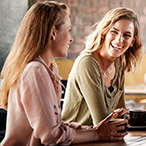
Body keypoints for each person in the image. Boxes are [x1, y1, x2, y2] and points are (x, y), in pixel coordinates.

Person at [0, 2, 129, 145]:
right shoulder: (35, 71)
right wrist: (96, 134)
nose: (71, 38)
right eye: (68, 30)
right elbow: (51, 135)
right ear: (53, 33)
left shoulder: (48, 69)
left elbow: (56, 125)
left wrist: (93, 129)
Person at [62, 7, 143, 126]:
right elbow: (102, 122)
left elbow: (120, 112)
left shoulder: (118, 64)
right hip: (75, 140)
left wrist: (124, 116)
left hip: (103, 139)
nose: (119, 40)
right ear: (104, 32)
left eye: (126, 35)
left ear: (132, 41)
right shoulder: (87, 62)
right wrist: (120, 117)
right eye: (114, 32)